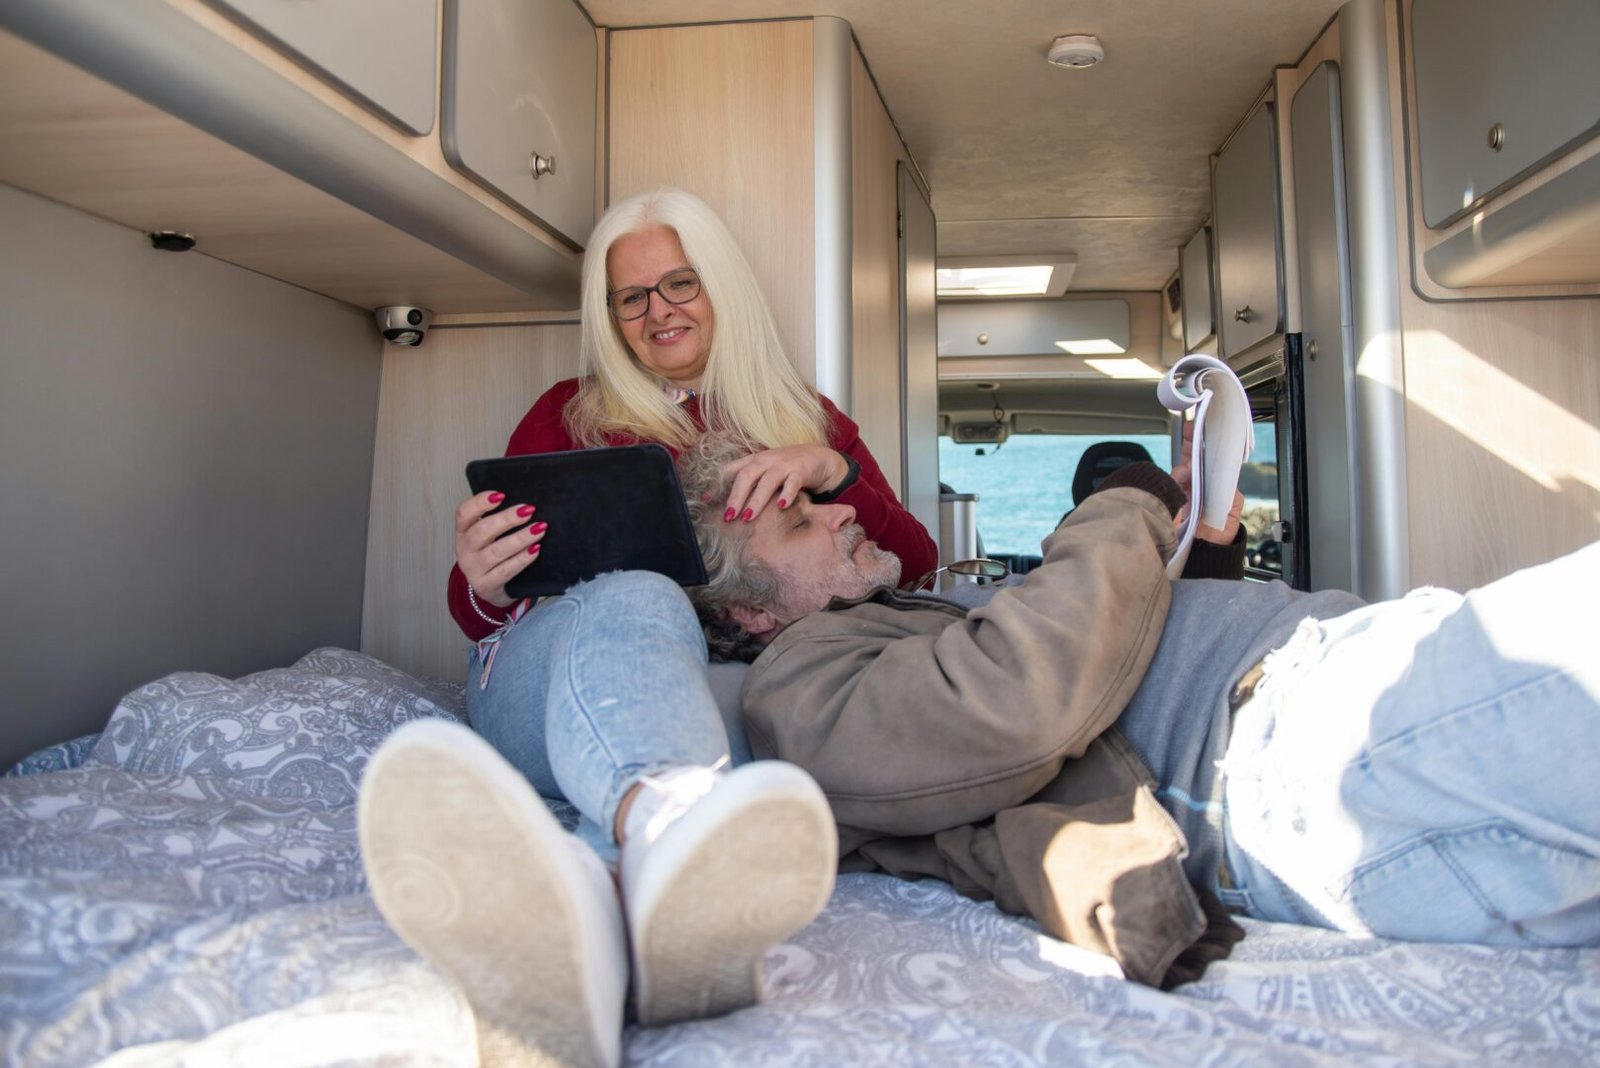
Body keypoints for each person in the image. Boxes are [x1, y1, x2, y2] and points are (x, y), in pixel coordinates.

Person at [674, 434, 1600, 987]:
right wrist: (1124, 503)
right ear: (749, 613)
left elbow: (1119, 660)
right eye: (801, 521)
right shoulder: (796, 686)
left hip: (1326, 701)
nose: (840, 514)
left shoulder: (890, 620)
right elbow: (1019, 700)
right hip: (1298, 742)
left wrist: (1203, 541)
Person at [359, 188, 935, 1068]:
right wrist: (481, 578)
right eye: (631, 297)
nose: (658, 311)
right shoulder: (570, 414)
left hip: (705, 686)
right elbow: (476, 613)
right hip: (547, 674)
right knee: (640, 593)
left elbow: (913, 566)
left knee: (765, 700)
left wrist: (833, 468)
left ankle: (593, 924)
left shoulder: (806, 418)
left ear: (720, 286)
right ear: (610, 315)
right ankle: (670, 836)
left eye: (679, 284)